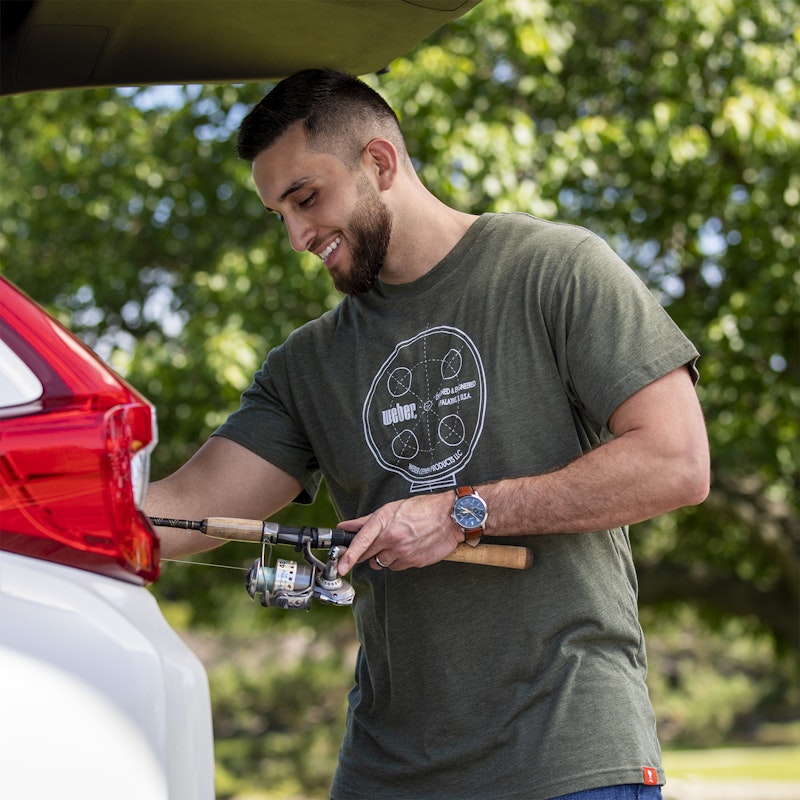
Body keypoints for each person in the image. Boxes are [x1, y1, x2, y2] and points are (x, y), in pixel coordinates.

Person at [147, 68, 710, 800]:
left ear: (379, 163)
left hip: (568, 764)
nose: (297, 236)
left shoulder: (556, 269)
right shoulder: (306, 365)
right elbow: (184, 507)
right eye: (277, 214)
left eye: (306, 199)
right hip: (387, 775)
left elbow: (676, 461)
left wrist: (459, 511)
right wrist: (29, 506)